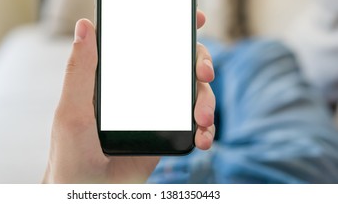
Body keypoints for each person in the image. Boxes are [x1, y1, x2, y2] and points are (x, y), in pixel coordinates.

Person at [43, 10, 338, 184]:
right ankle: (210, 43)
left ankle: (206, 44)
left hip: (156, 181)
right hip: (284, 173)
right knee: (264, 56)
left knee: (189, 76)